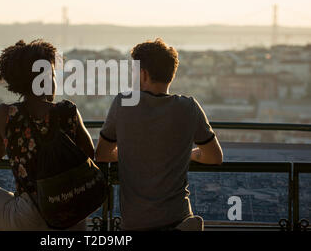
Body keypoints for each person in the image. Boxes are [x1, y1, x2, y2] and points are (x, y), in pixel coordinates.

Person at [0, 39, 95, 230]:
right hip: (73, 214)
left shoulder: (4, 114)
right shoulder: (68, 111)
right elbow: (89, 152)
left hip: (29, 216)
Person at [95, 38, 223, 231]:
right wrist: (180, 155)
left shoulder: (123, 103)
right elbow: (214, 157)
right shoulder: (189, 107)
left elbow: (102, 154)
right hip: (179, 219)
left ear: (143, 74)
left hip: (136, 223)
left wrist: (134, 153)